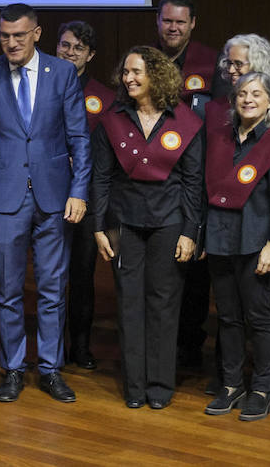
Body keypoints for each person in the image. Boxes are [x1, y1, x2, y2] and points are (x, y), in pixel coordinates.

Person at [0, 3, 89, 405]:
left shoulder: (62, 73)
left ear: (37, 34)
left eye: (19, 36)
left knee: (53, 287)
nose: (11, 43)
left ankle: (52, 369)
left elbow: (79, 138)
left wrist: (79, 191)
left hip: (55, 195)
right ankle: (13, 369)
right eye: (4, 36)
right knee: (6, 288)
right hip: (4, 196)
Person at [91, 46, 202, 408]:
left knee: (164, 304)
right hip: (125, 222)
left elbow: (193, 181)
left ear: (156, 74)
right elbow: (101, 178)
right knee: (130, 304)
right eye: (125, 72)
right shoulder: (113, 118)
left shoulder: (184, 120)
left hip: (169, 222)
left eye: (136, 71)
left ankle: (159, 385)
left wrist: (190, 231)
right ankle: (134, 387)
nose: (129, 78)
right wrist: (98, 227)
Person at [202, 71, 270, 421]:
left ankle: (261, 389)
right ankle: (231, 385)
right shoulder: (221, 139)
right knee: (227, 317)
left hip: (256, 242)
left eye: (256, 94)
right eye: (242, 93)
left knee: (259, 318)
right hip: (221, 238)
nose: (248, 99)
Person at [58, 20, 115, 370]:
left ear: (90, 55)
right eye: (65, 45)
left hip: (86, 198)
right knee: (49, 275)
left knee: (82, 274)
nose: (70, 52)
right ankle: (50, 346)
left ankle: (79, 345)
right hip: (47, 194)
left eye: (78, 48)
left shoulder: (104, 98)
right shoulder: (43, 85)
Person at [154, 0, 219, 113]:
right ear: (157, 19)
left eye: (180, 22)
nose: (173, 28)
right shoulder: (142, 60)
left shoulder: (213, 61)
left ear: (192, 23)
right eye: (167, 21)